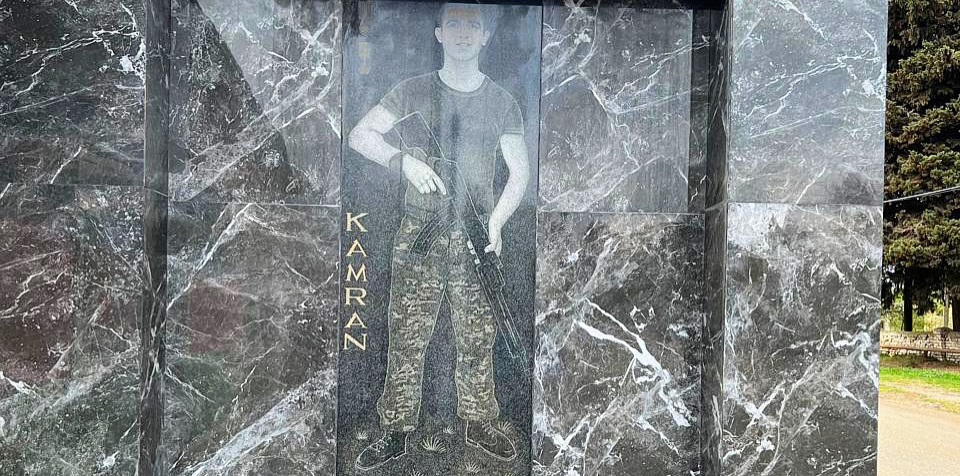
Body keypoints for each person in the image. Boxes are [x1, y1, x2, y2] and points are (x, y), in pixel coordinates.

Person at [346, 2, 530, 471]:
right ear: (439, 33)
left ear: (485, 36)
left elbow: (520, 174)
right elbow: (360, 135)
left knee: (478, 337)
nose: (464, 33)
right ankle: (395, 430)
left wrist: (496, 222)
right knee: (407, 335)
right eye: (454, 24)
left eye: (473, 26)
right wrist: (403, 162)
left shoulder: (501, 101)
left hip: (475, 235)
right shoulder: (413, 90)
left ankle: (479, 421)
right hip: (421, 234)